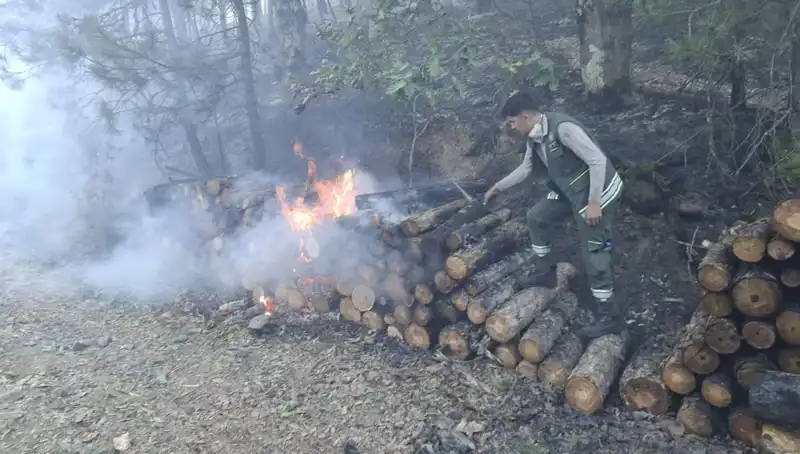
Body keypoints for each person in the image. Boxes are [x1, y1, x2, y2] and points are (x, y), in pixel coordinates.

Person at [484, 91, 626, 338]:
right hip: (571, 191)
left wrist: (594, 203)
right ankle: (545, 273)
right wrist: (498, 186)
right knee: (536, 217)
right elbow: (526, 168)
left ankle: (610, 317)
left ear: (524, 116)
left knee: (595, 251)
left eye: (512, 122)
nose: (512, 127)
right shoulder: (534, 136)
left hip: (599, 193)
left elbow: (596, 160)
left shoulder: (563, 128)